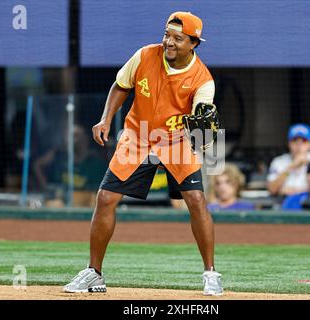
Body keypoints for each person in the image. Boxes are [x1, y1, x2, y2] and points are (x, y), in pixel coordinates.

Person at [63, 12, 223, 295]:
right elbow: (121, 86)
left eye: (177, 38)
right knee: (106, 198)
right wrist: (105, 119)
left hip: (175, 139)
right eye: (166, 35)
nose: (168, 42)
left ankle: (211, 273)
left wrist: (203, 131)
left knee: (196, 200)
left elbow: (202, 113)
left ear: (194, 43)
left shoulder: (203, 79)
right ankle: (93, 273)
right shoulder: (145, 55)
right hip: (139, 135)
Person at [34, 124, 108, 207]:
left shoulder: (96, 163)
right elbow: (38, 166)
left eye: (75, 136)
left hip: (85, 207)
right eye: (68, 136)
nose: (71, 140)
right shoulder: (60, 160)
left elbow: (98, 194)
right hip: (62, 206)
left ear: (86, 139)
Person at [267, 124, 310, 196]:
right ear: (288, 144)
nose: (299, 145)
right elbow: (272, 189)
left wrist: (287, 191)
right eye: (295, 141)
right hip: (284, 204)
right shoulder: (278, 161)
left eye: (304, 141)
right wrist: (291, 167)